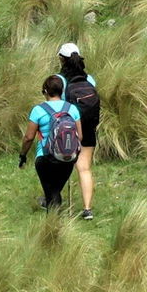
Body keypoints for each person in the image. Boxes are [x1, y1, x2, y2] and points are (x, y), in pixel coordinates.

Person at [19, 75, 81, 210]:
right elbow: (80, 137)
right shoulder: (72, 109)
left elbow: (29, 137)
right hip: (68, 158)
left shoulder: (38, 110)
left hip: (45, 158)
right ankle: (55, 223)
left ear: (46, 91)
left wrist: (23, 155)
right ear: (61, 91)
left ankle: (53, 227)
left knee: (51, 194)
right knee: (55, 192)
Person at [57, 43, 98, 220]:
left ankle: (52, 199)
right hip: (89, 129)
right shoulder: (90, 80)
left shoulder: (59, 80)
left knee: (60, 166)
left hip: (67, 129)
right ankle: (87, 209)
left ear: (61, 59)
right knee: (84, 168)